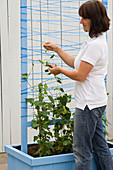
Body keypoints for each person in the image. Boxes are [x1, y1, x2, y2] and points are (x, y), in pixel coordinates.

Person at [43, 0, 113, 169]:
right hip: (95, 101)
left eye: (83, 18)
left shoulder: (95, 45)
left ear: (93, 19)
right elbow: (77, 64)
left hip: (88, 104)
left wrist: (60, 70)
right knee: (100, 145)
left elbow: (80, 75)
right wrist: (58, 50)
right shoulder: (94, 41)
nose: (80, 21)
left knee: (81, 150)